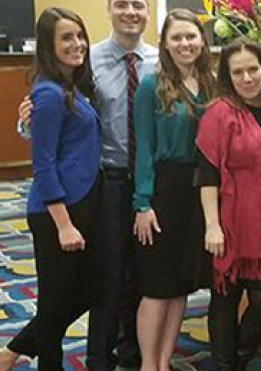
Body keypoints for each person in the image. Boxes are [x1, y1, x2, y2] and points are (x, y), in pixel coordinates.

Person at [5, 1, 159, 369]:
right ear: (109, 10)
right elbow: (45, 151)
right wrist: (26, 123)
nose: (76, 44)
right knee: (84, 287)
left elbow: (68, 125)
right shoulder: (65, 80)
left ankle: (15, 352)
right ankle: (91, 359)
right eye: (121, 4)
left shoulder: (152, 60)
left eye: (138, 4)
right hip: (88, 194)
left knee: (105, 282)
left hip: (123, 188)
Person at [0, 8, 102, 370]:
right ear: (48, 45)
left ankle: (13, 351)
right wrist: (63, 224)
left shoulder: (71, 86)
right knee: (56, 303)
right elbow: (42, 165)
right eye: (66, 38)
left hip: (81, 204)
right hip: (55, 213)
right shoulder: (47, 94)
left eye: (80, 35)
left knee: (82, 293)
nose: (77, 44)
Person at [195, 38, 261, 371]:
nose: (247, 78)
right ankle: (224, 365)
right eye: (238, 72)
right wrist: (212, 225)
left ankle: (238, 357)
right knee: (225, 297)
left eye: (253, 69)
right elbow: (207, 174)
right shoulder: (218, 114)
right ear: (228, 76)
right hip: (230, 221)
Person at [131, 9, 214, 371]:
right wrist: (142, 202)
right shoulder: (152, 84)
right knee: (157, 285)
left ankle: (165, 361)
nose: (185, 44)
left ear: (202, 40)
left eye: (191, 36)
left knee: (181, 283)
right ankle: (149, 364)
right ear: (164, 43)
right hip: (163, 190)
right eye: (177, 37)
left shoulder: (211, 82)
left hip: (199, 191)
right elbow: (144, 148)